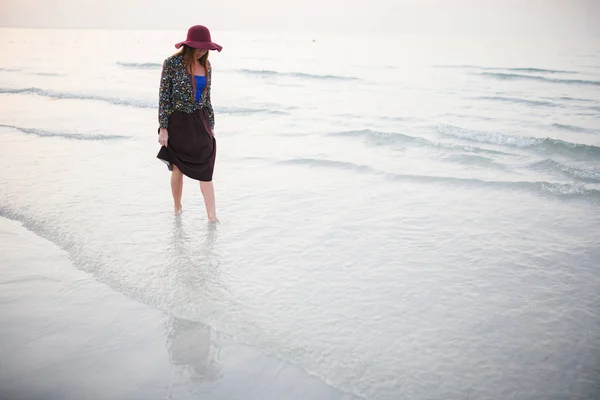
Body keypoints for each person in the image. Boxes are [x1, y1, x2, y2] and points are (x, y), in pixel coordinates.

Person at [157, 25, 222, 222]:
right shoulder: (172, 63)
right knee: (178, 167)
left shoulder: (207, 66)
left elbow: (207, 98)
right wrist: (163, 128)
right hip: (177, 120)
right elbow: (163, 97)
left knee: (206, 165)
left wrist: (210, 126)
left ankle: (212, 217)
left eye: (205, 47)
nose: (202, 50)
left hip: (200, 120)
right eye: (198, 46)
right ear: (189, 45)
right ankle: (177, 207)